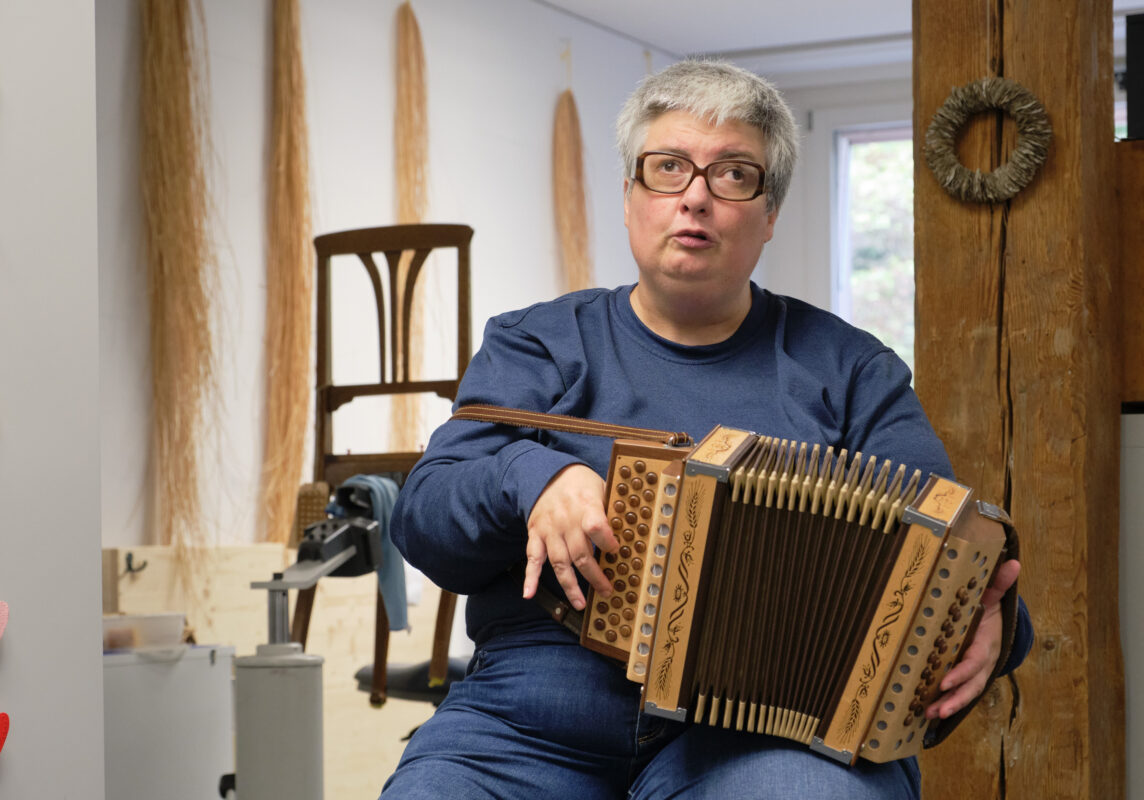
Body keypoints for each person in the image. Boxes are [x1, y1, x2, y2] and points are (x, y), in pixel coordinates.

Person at [381, 60, 1032, 800]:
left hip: (770, 738)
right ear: (629, 198)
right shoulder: (535, 343)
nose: (695, 197)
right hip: (531, 721)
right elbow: (424, 518)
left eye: (732, 176)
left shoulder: (851, 370)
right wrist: (533, 479)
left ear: (769, 214)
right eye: (668, 169)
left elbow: (960, 554)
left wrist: (998, 626)